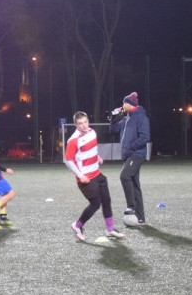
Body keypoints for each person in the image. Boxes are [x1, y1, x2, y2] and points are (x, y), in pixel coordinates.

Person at [64, 111, 125, 241]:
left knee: (106, 201)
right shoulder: (73, 140)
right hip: (86, 177)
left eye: (85, 122)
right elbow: (68, 160)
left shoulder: (92, 132)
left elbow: (88, 150)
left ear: (88, 121)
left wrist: (97, 157)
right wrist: (80, 175)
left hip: (97, 173)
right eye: (80, 123)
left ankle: (110, 229)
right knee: (95, 204)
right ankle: (77, 225)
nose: (84, 125)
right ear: (76, 125)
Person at [108, 92, 151, 225]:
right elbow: (112, 130)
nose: (122, 105)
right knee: (134, 184)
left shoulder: (140, 117)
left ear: (130, 104)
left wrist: (131, 147)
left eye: (124, 103)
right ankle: (141, 218)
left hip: (136, 154)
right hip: (128, 155)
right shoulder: (126, 119)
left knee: (124, 176)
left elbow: (145, 137)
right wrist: (114, 116)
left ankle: (131, 206)